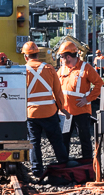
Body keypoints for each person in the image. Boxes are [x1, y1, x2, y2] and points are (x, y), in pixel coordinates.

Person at [22, 40, 69, 179]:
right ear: (37, 54)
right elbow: (58, 92)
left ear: (25, 56)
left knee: (34, 142)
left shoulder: (22, 71)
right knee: (56, 140)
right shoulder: (49, 69)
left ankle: (37, 170)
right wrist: (62, 108)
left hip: (31, 113)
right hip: (49, 112)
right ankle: (63, 165)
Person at [56, 40, 102, 163]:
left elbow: (99, 84)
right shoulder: (62, 70)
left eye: (61, 57)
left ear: (68, 57)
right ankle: (63, 163)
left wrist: (88, 99)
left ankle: (87, 163)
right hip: (65, 113)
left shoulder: (86, 68)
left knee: (84, 138)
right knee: (64, 138)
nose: (61, 59)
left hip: (81, 112)